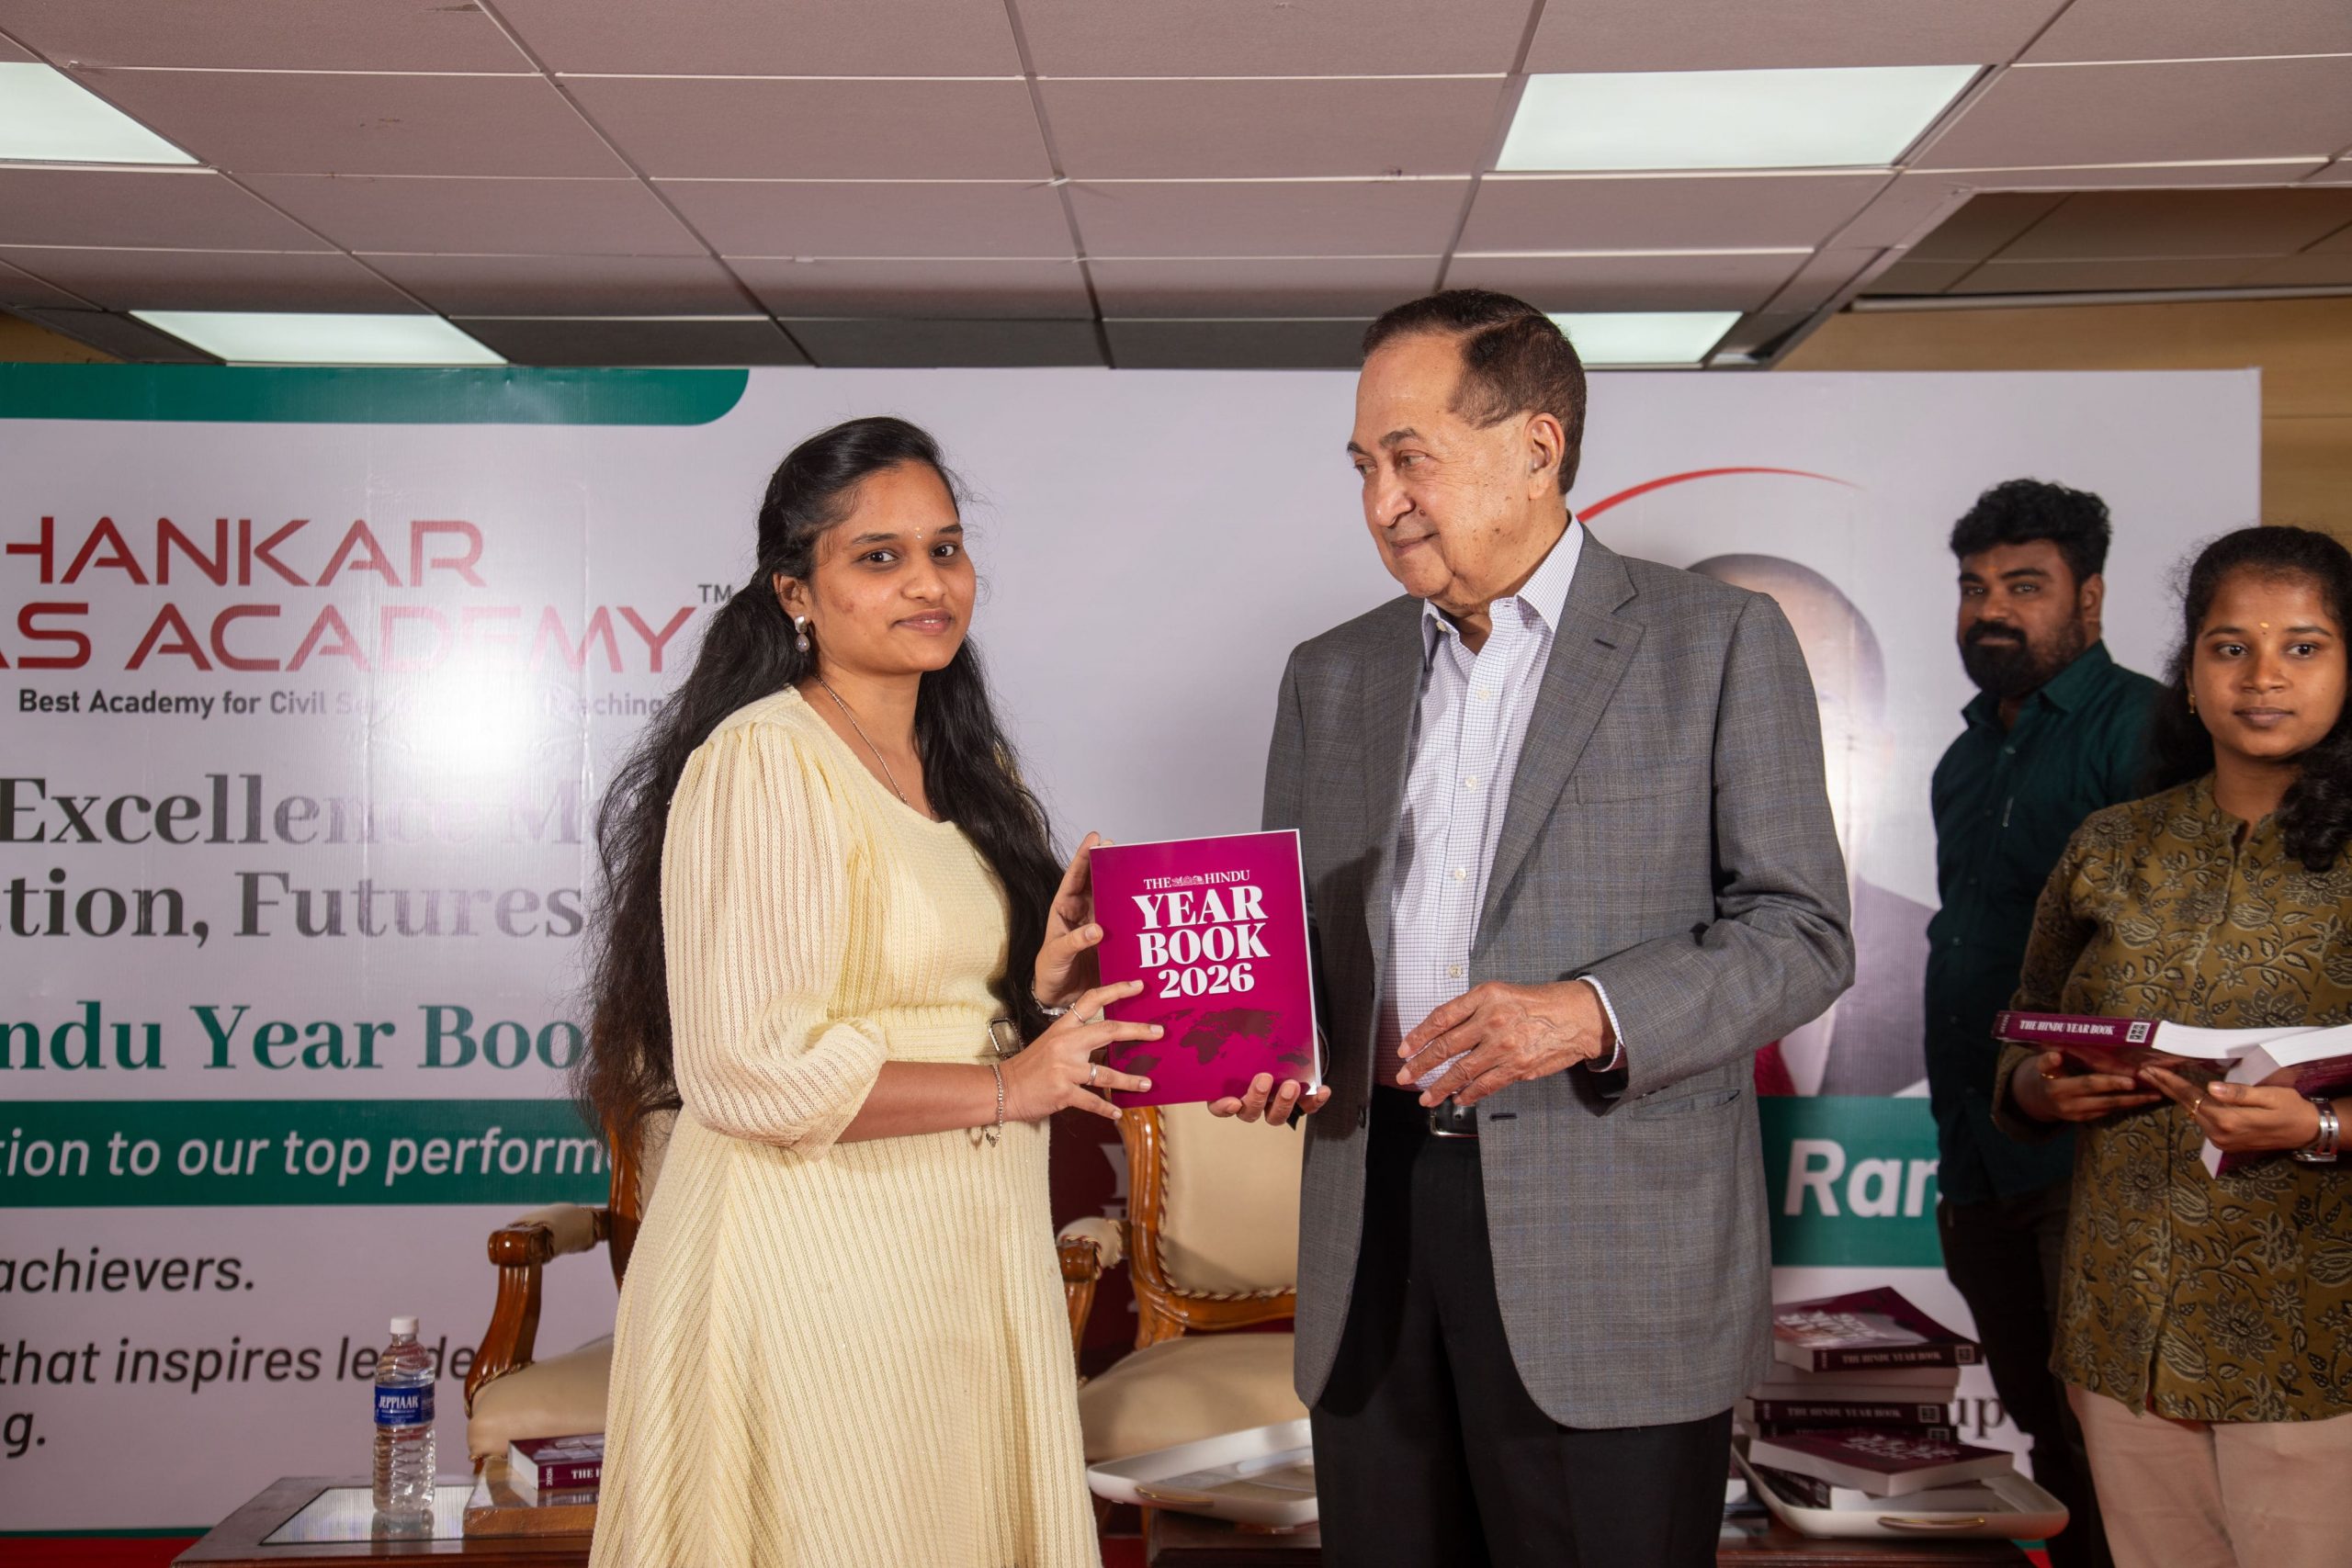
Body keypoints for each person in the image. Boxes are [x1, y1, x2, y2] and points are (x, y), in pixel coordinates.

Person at [1215, 289, 1854, 1566]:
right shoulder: (1329, 672)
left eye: (1410, 457)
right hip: (1372, 1228)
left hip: (1608, 1240)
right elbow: (1297, 948)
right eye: (1363, 465)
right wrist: (1247, 1028)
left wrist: (1590, 1014)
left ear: (1537, 447)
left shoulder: (1716, 641)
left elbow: (1801, 932)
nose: (1382, 500)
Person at [574, 416, 1150, 1566]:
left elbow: (932, 998)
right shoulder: (763, 757)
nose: (927, 583)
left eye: (944, 549)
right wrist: (1012, 1083)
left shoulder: (968, 766)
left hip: (956, 1249)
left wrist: (1040, 985)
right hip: (809, 1265)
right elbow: (747, 1070)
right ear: (796, 591)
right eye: (878, 558)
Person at [1993, 524, 2352, 1568]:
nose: (2262, 676)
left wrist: (2319, 1125)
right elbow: (2022, 1021)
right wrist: (2040, 1089)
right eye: (2229, 647)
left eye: (2302, 646)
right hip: (2122, 1329)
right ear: (2189, 674)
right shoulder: (2112, 845)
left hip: (2313, 1341)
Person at [1928, 478, 2160, 1568]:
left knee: (2116, 1443)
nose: (1991, 611)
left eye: (2024, 586)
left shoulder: (2146, 733)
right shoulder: (1964, 759)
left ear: (2090, 597)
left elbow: (2170, 950)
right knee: (2042, 1437)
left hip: (2093, 1160)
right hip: (1977, 1151)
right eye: (1974, 587)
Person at [1690, 554, 1930, 1097]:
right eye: (1719, 697)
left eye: (1817, 704)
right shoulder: (1577, 950)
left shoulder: (1940, 962)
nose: (1757, 738)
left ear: (1881, 757)